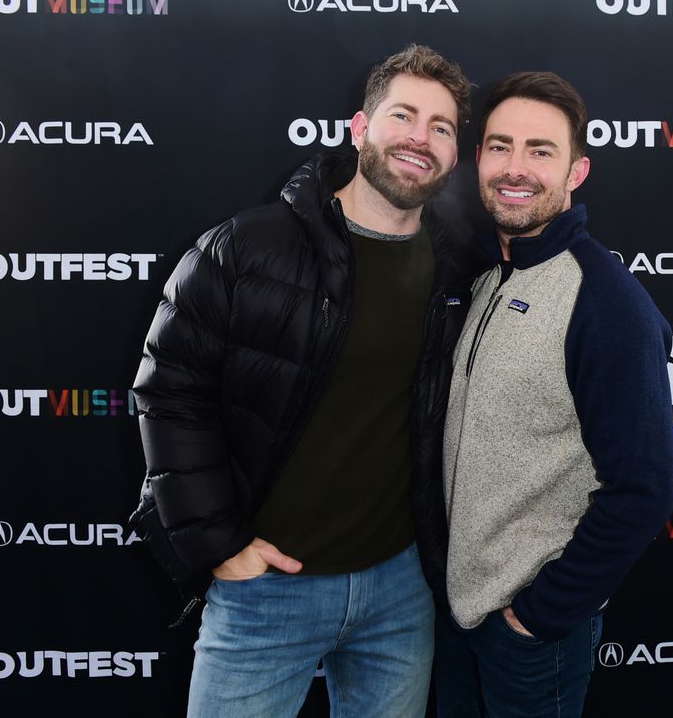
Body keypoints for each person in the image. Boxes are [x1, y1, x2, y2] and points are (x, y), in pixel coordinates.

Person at [128, 44, 475, 718]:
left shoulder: (459, 267)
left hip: (401, 590)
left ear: (454, 155)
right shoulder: (246, 247)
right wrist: (219, 544)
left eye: (441, 127)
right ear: (359, 128)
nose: (419, 138)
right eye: (403, 115)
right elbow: (170, 390)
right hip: (266, 592)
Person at [433, 72, 673, 718]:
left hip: (530, 635)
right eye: (499, 146)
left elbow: (644, 488)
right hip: (459, 615)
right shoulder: (491, 274)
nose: (516, 168)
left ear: (577, 171)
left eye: (541, 151)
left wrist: (537, 616)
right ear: (477, 157)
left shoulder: (604, 302)